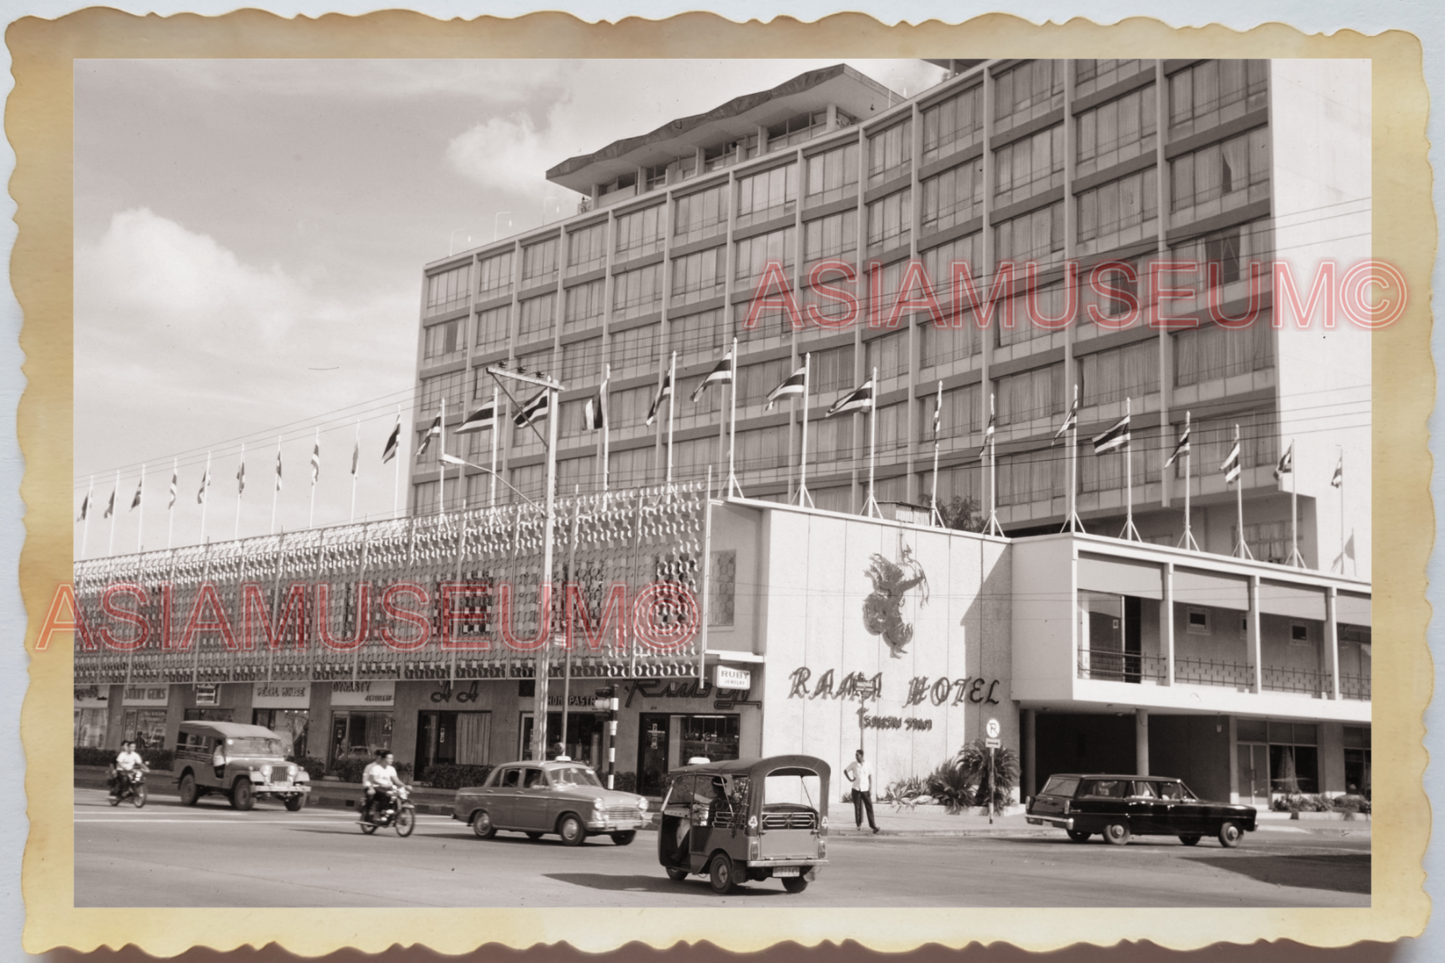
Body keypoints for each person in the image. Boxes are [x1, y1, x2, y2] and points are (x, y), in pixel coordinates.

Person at [844, 748, 879, 834]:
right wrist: (850, 779)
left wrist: (870, 788)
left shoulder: (868, 764)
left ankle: (873, 825)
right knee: (857, 807)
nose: (856, 756)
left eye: (857, 755)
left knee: (869, 806)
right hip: (856, 789)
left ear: (862, 756)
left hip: (865, 789)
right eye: (855, 755)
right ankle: (858, 825)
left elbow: (870, 776)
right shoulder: (853, 764)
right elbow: (845, 771)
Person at [362, 750, 399, 822]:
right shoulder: (371, 767)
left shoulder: (389, 768)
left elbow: (395, 780)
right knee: (373, 796)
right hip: (371, 786)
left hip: (384, 787)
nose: (380, 758)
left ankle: (391, 812)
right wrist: (369, 787)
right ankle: (368, 814)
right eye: (379, 756)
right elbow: (367, 780)